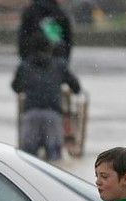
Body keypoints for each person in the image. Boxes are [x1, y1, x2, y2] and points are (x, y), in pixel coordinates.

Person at [11, 33, 81, 162]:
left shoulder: (25, 65)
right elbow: (76, 87)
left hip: (31, 114)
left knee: (27, 159)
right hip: (52, 116)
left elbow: (16, 87)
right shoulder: (60, 65)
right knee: (54, 161)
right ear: (50, 48)